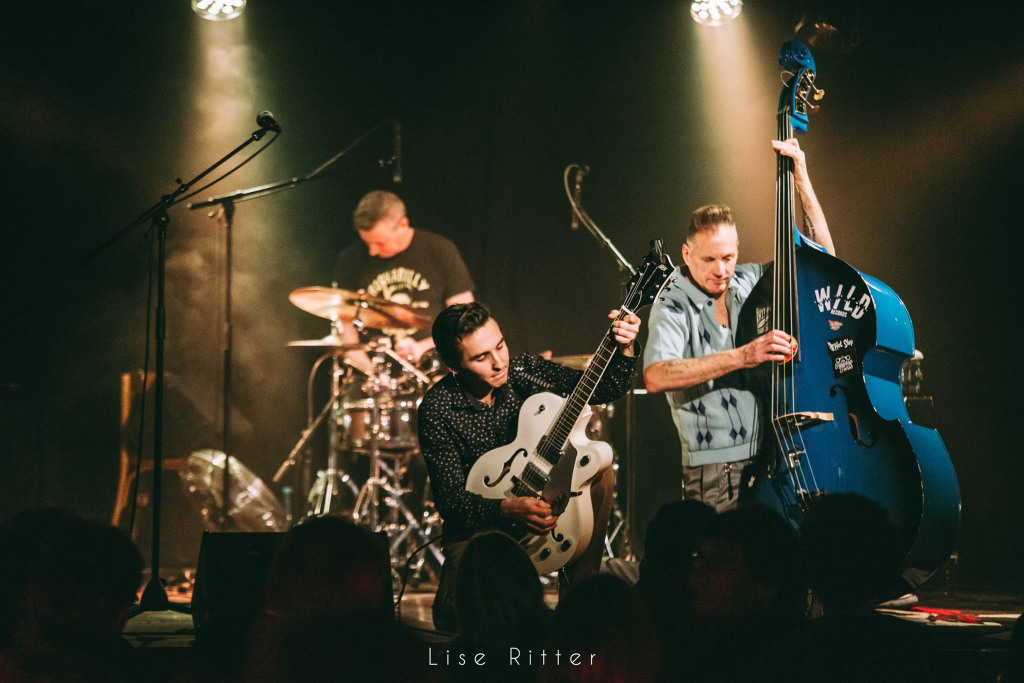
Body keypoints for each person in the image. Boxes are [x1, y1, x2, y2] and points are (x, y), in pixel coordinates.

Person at [418, 301, 641, 631]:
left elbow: (604, 387)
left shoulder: (522, 370)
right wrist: (508, 508)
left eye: (500, 346)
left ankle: (578, 608)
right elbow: (451, 502)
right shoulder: (437, 408)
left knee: (600, 474)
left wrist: (626, 347)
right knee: (459, 620)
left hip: (546, 501)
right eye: (481, 357)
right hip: (479, 528)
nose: (499, 362)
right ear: (454, 366)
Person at [643, 138, 835, 513]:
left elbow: (824, 264)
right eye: (710, 259)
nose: (721, 270)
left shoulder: (745, 280)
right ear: (687, 254)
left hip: (769, 455)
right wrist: (745, 355)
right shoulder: (671, 302)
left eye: (729, 257)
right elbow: (655, 375)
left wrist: (803, 184)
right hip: (713, 468)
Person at [332, 190, 474, 364]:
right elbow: (346, 328)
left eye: (380, 243)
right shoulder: (350, 260)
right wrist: (369, 373)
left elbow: (466, 321)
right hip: (375, 370)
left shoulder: (440, 251)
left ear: (403, 225)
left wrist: (423, 347)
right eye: (367, 243)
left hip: (435, 364)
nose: (372, 251)